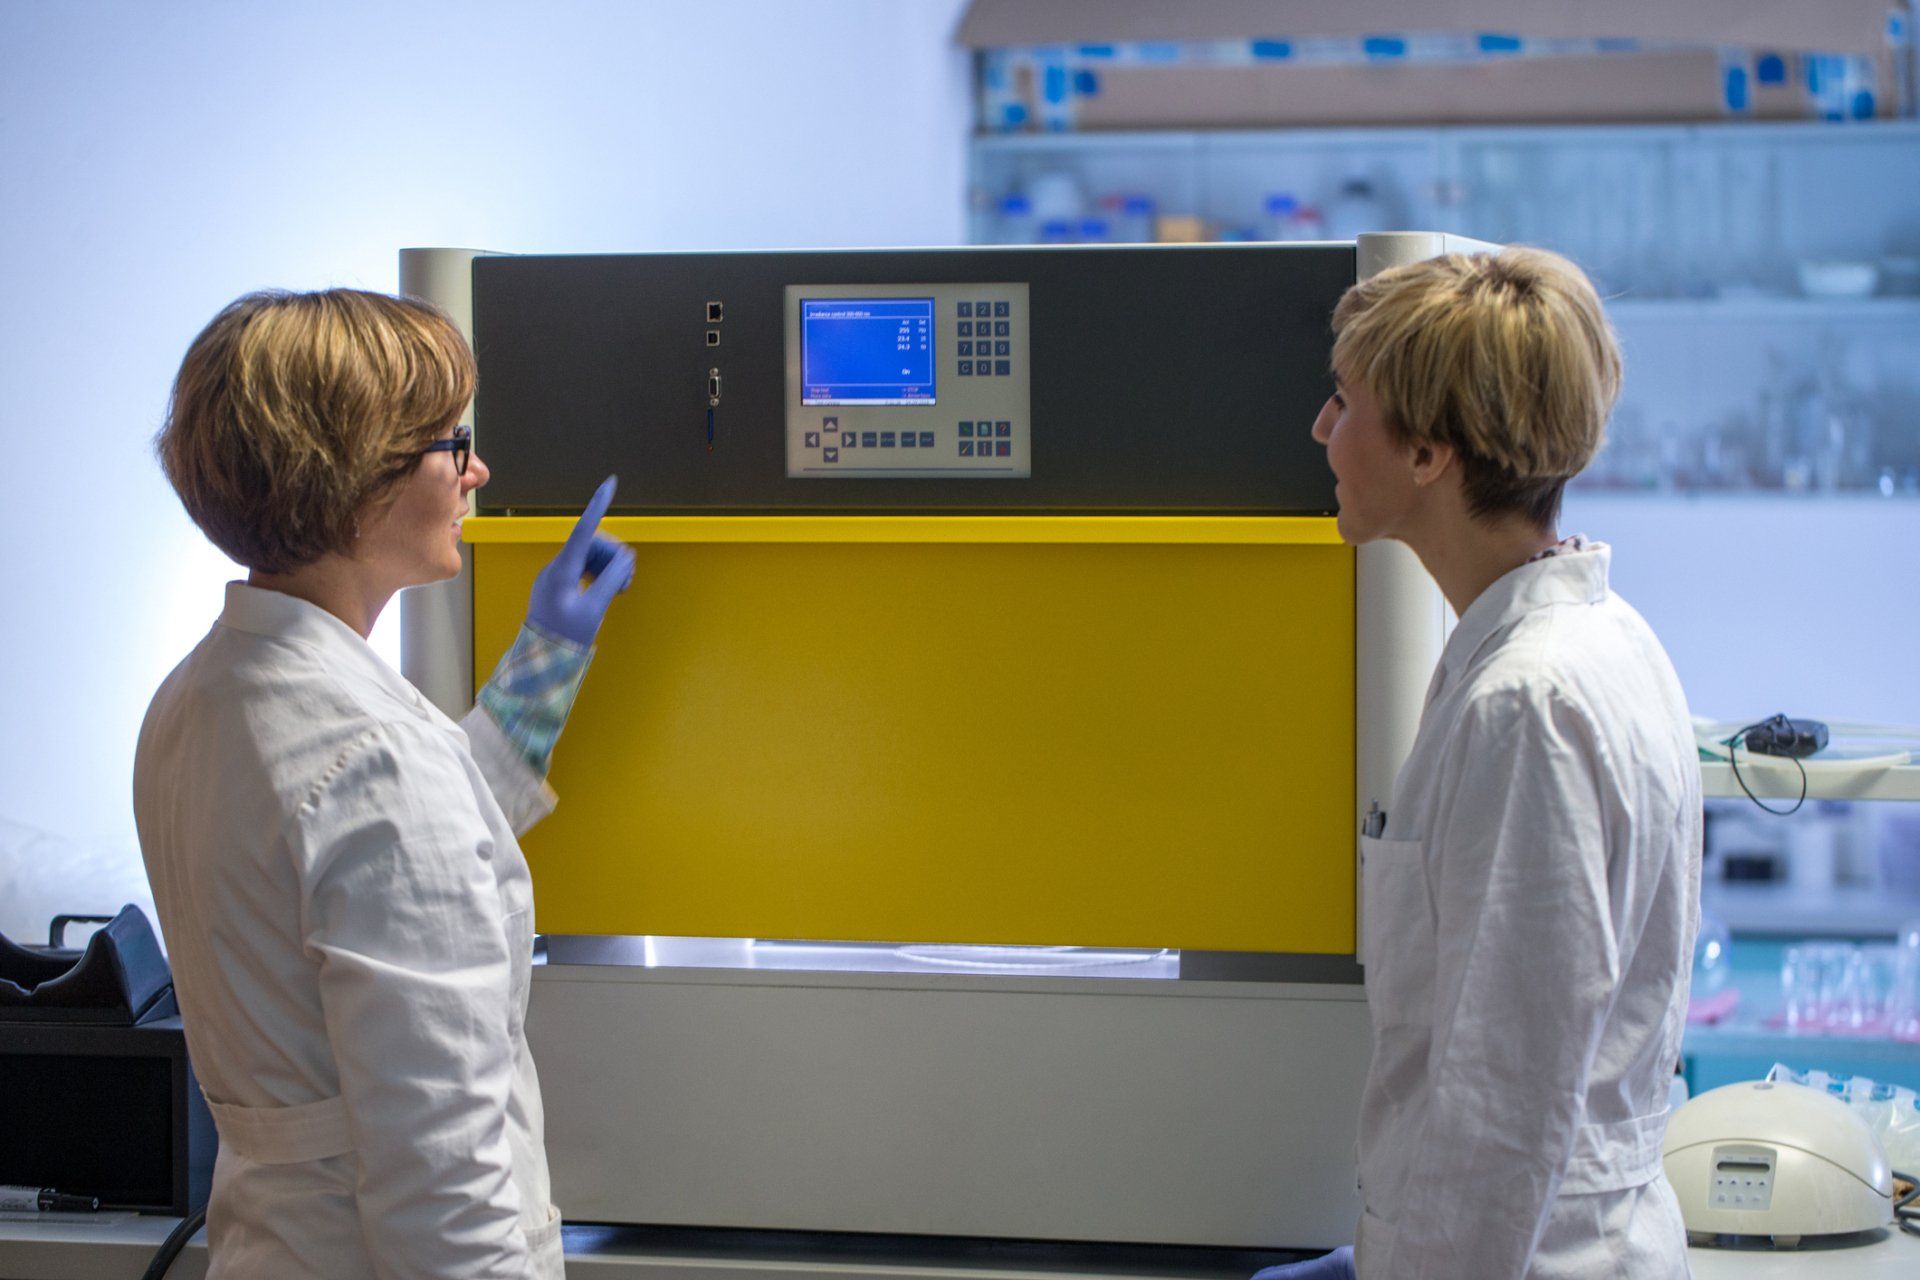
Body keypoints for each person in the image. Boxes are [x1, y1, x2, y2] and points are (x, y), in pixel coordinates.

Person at [134, 288, 635, 1279]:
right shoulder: (372, 755)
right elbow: (443, 1182)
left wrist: (543, 668)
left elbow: (403, 837)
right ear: (357, 476)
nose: (476, 472)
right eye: (453, 444)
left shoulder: (195, 699)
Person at [1258, 249, 1701, 1279]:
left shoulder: (1526, 706)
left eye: (1344, 401)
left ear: (1427, 453)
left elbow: (1501, 1110)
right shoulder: (1593, 640)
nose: (1321, 429)